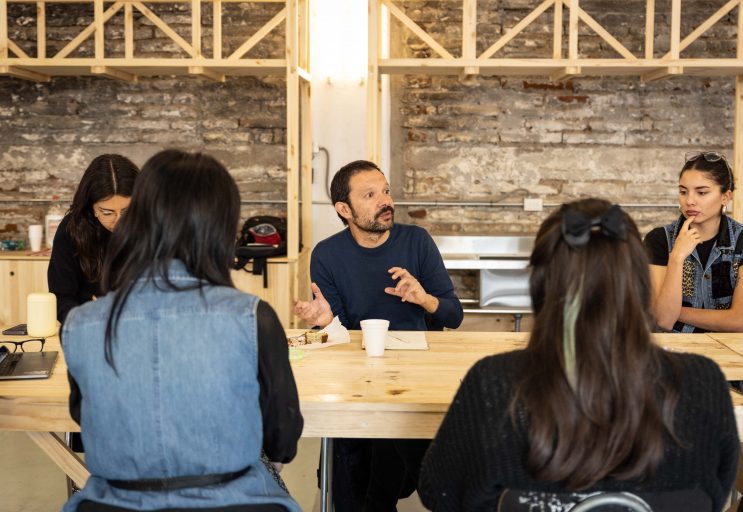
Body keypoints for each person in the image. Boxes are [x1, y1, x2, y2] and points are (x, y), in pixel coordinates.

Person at [418, 199, 739, 512]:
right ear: (639, 284)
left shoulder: (493, 384)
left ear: (541, 285)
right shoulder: (704, 383)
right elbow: (719, 491)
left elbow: (438, 494)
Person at [61, 150, 303, 512]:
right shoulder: (253, 317)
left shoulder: (81, 323)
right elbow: (282, 434)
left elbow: (84, 417)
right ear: (220, 229)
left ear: (138, 221)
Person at [294, 160, 463, 511]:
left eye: (385, 191)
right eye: (370, 195)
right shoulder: (327, 255)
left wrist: (425, 298)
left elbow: (454, 315)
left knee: (394, 461)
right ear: (344, 209)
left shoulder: (417, 242)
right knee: (358, 466)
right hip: (356, 378)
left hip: (416, 379)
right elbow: (332, 339)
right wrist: (324, 322)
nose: (384, 201)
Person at [644, 152, 743, 333]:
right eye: (683, 191)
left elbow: (737, 322)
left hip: (737, 353)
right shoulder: (659, 239)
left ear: (725, 197)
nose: (689, 201)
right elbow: (663, 321)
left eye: (701, 192)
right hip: (678, 351)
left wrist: (675, 311)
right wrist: (677, 258)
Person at [48, 154, 139, 324]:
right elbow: (60, 298)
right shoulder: (71, 230)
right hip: (89, 327)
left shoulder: (152, 228)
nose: (119, 220)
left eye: (127, 211)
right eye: (107, 212)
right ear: (91, 207)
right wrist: (85, 318)